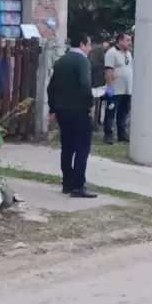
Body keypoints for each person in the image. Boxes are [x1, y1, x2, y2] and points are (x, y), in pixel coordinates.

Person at [47, 32, 97, 198]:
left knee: (67, 147)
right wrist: (90, 103)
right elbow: (85, 83)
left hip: (62, 110)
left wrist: (52, 108)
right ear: (82, 44)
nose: (90, 49)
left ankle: (67, 183)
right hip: (78, 110)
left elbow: (51, 87)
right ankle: (78, 185)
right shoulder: (81, 61)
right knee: (82, 147)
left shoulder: (62, 60)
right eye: (89, 45)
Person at [102, 33, 133, 145]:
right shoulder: (111, 53)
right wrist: (110, 86)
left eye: (130, 40)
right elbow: (108, 71)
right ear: (120, 40)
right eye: (127, 40)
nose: (130, 42)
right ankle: (108, 134)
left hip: (127, 89)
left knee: (123, 112)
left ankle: (122, 133)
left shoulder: (128, 54)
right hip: (115, 89)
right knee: (111, 112)